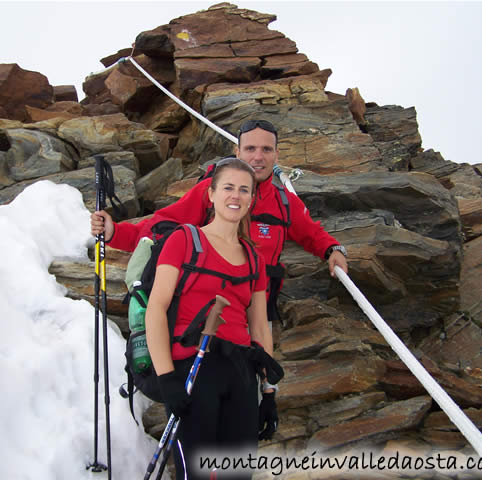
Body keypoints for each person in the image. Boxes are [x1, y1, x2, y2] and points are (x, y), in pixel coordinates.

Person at [91, 119, 349, 324]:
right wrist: (115, 233)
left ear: (276, 155)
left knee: (256, 385)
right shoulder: (211, 192)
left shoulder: (285, 203)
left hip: (258, 310)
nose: (258, 157)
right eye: (250, 149)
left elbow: (311, 233)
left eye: (266, 149)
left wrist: (333, 250)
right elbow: (162, 226)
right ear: (237, 152)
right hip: (206, 307)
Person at [145, 158, 277, 480]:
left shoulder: (254, 259)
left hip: (241, 373)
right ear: (212, 195)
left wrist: (269, 392)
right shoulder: (183, 240)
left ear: (251, 198)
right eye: (228, 187)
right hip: (193, 370)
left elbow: (259, 325)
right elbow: (156, 309)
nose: (236, 195)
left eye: (244, 189)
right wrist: (166, 378)